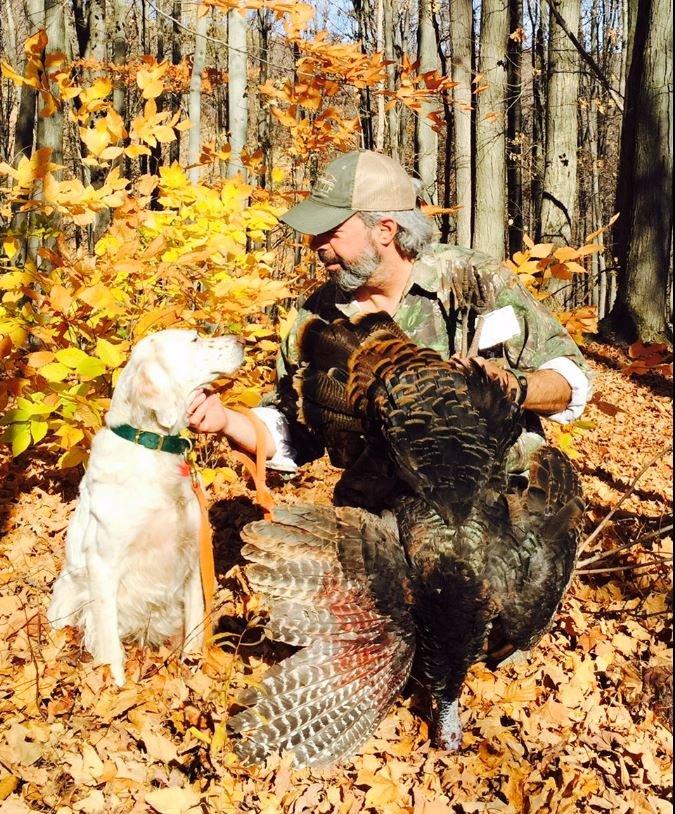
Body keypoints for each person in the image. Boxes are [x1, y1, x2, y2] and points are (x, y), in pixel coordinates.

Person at [188, 150, 591, 493]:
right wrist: (225, 420)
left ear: (385, 230)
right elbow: (291, 426)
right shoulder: (320, 316)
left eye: (330, 232)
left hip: (500, 507)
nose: (315, 246)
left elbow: (568, 380)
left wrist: (509, 387)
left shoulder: (473, 281)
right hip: (384, 525)